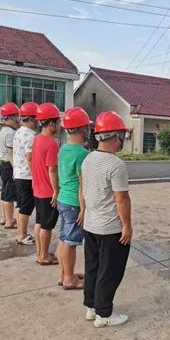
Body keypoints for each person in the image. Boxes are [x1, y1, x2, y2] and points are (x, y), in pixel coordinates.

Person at [82, 111, 132, 327]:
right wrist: (127, 226)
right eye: (121, 135)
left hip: (91, 225)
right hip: (110, 228)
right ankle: (104, 314)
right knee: (109, 271)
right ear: (114, 137)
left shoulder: (88, 158)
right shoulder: (116, 164)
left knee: (92, 267)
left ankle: (91, 307)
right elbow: (121, 199)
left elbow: (83, 188)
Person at [57, 107, 91, 290]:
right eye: (86, 128)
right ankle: (70, 279)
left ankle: (64, 275)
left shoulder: (63, 149)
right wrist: (84, 209)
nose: (87, 132)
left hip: (63, 199)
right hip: (73, 203)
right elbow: (82, 185)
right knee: (71, 243)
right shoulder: (82, 153)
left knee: (63, 239)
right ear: (80, 129)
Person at [32, 103, 61, 265]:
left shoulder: (37, 139)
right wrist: (56, 191)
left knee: (39, 222)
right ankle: (43, 256)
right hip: (47, 192)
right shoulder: (51, 144)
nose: (58, 125)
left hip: (37, 189)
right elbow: (52, 170)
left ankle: (40, 252)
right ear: (51, 124)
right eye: (57, 122)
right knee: (47, 226)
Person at [13, 102, 39, 245]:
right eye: (36, 118)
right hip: (26, 176)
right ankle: (22, 235)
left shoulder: (18, 132)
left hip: (18, 173)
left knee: (21, 204)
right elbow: (30, 158)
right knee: (26, 207)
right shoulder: (30, 135)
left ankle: (20, 233)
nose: (38, 121)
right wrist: (35, 177)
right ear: (30, 119)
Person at [0, 102, 20, 229]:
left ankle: (4, 217)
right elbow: (11, 153)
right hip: (9, 165)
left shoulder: (3, 130)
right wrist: (16, 168)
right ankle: (10, 221)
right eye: (16, 116)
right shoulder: (11, 133)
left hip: (3, 164)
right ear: (10, 117)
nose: (18, 118)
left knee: (4, 192)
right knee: (9, 194)